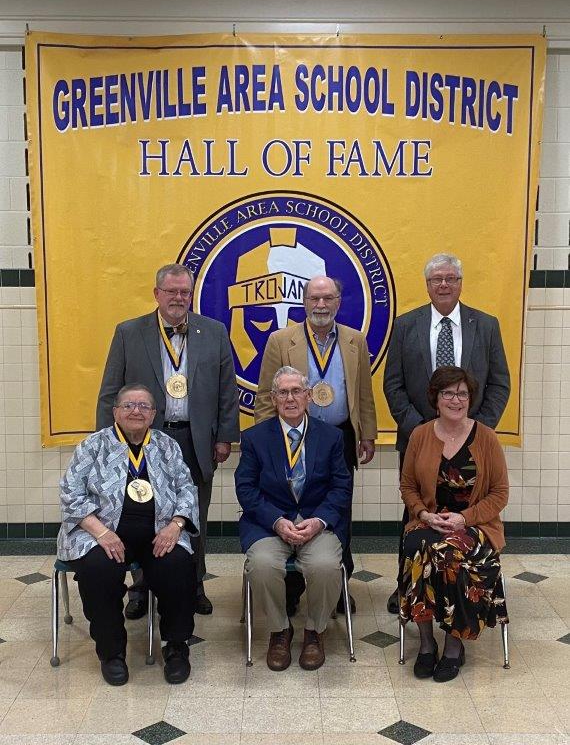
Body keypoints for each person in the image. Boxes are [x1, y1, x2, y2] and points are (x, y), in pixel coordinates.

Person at [97, 263, 240, 616]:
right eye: (171, 291)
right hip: (142, 442)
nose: (178, 298)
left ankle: (194, 583)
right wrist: (109, 443)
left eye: (184, 292)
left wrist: (225, 436)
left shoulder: (214, 331)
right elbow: (110, 391)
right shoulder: (129, 333)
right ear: (157, 294)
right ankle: (141, 587)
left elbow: (227, 390)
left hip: (195, 439)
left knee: (194, 514)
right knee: (141, 512)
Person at [383, 252, 510, 613]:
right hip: (419, 442)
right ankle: (409, 587)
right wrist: (423, 432)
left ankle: (463, 589)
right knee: (416, 513)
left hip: (471, 444)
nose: (443, 284)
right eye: (436, 279)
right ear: (427, 285)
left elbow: (500, 383)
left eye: (450, 278)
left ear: (460, 283)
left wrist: (476, 431)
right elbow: (393, 385)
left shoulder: (485, 325)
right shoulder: (405, 325)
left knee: (466, 513)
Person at [58, 384, 200, 686]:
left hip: (159, 532)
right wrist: (102, 532)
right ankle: (111, 652)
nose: (136, 411)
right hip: (101, 532)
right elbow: (70, 493)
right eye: (129, 405)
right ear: (115, 412)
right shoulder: (93, 445)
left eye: (144, 406)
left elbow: (187, 488)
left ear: (154, 414)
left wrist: (176, 525)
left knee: (178, 565)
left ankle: (176, 646)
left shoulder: (166, 445)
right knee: (98, 569)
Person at [255, 275, 377, 614]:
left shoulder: (355, 340)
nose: (321, 305)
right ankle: (291, 590)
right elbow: (266, 395)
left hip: (339, 438)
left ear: (338, 301)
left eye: (328, 298)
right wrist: (267, 444)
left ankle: (337, 586)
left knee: (338, 512)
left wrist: (367, 433)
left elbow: (363, 392)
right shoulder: (281, 340)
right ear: (304, 301)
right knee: (291, 505)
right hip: (291, 437)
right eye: (314, 298)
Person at [236, 366, 352, 671]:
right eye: (283, 392)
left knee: (325, 566)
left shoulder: (331, 437)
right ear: (273, 398)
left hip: (317, 522)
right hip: (269, 524)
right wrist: (276, 521)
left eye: (297, 391)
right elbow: (246, 489)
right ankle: (280, 630)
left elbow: (341, 487)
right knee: (261, 565)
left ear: (309, 396)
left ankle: (314, 631)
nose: (290, 398)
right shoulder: (254, 438)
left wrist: (319, 521)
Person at [398, 366, 509, 682]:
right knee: (415, 546)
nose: (456, 400)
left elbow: (500, 493)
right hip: (430, 520)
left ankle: (453, 644)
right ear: (436, 398)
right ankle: (426, 643)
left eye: (462, 393)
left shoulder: (486, 437)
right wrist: (423, 514)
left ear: (470, 398)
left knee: (448, 555)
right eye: (448, 393)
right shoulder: (420, 435)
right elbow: (408, 486)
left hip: (476, 526)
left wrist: (464, 518)